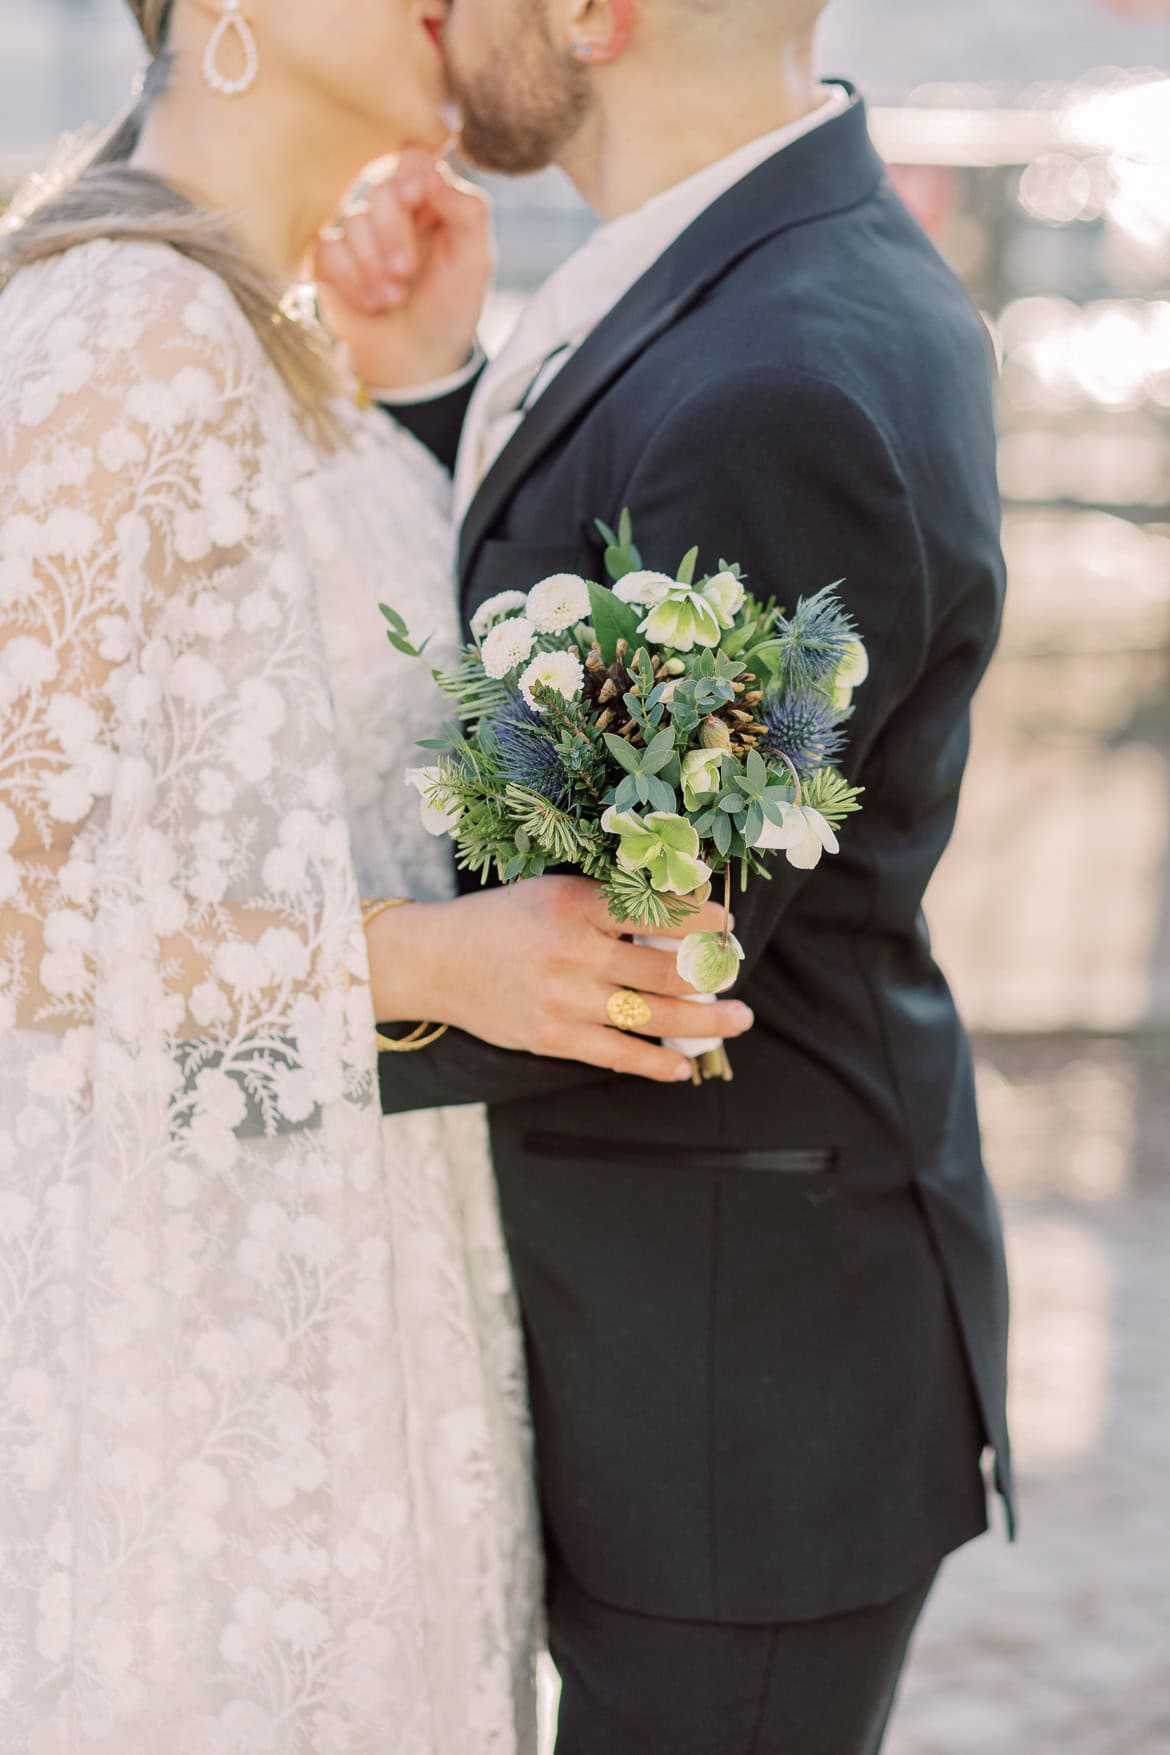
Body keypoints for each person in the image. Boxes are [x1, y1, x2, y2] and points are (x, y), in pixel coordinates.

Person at [0, 0, 753, 1745]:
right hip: (195, 1355)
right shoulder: (125, 333)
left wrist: (418, 380)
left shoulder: (271, 337)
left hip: (351, 1292)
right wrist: (418, 963)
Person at [318, 0, 1016, 1750]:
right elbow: (586, 645)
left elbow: (615, 968)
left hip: (731, 1404)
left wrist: (165, 995)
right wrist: (432, 395)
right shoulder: (778, 271)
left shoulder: (779, 376)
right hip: (714, 1329)